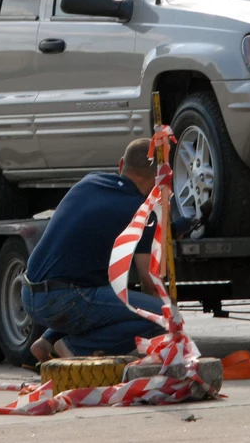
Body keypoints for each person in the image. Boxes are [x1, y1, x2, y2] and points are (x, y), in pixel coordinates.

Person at [22, 138, 168, 361]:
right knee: (162, 317)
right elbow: (150, 281)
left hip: (30, 293)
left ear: (121, 165)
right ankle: (76, 347)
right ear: (158, 180)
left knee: (99, 291)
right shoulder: (142, 211)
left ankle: (47, 342)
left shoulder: (89, 182)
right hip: (65, 299)